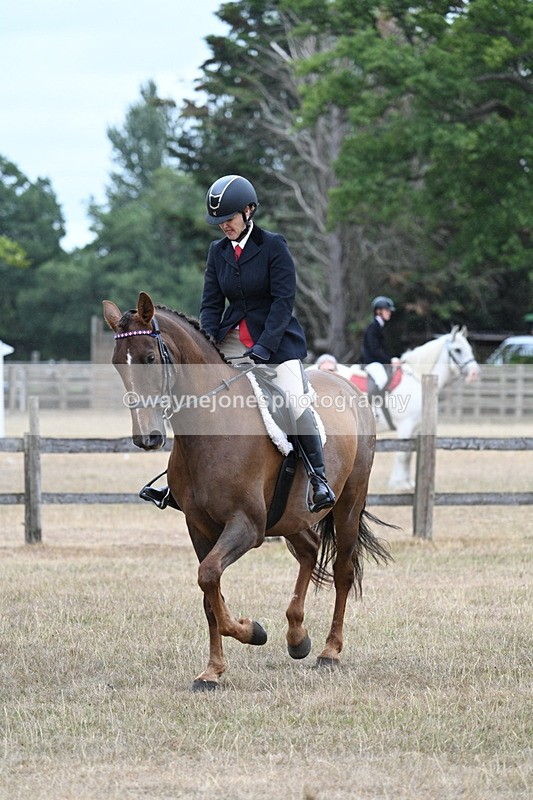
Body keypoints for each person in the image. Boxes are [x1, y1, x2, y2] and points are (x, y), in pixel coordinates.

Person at [142, 174, 335, 513]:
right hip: (232, 338)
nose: (223, 227)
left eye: (228, 219)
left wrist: (263, 348)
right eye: (218, 222)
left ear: (248, 211)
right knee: (194, 394)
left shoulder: (273, 245)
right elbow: (212, 303)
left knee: (293, 400)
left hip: (275, 341)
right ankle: (178, 482)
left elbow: (282, 302)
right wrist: (208, 342)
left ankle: (319, 479)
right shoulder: (218, 252)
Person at [360, 296, 396, 405]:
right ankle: (369, 405)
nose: (389, 312)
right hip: (371, 362)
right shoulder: (373, 327)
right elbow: (375, 349)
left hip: (377, 361)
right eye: (387, 310)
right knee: (382, 379)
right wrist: (390, 360)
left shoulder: (380, 326)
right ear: (378, 311)